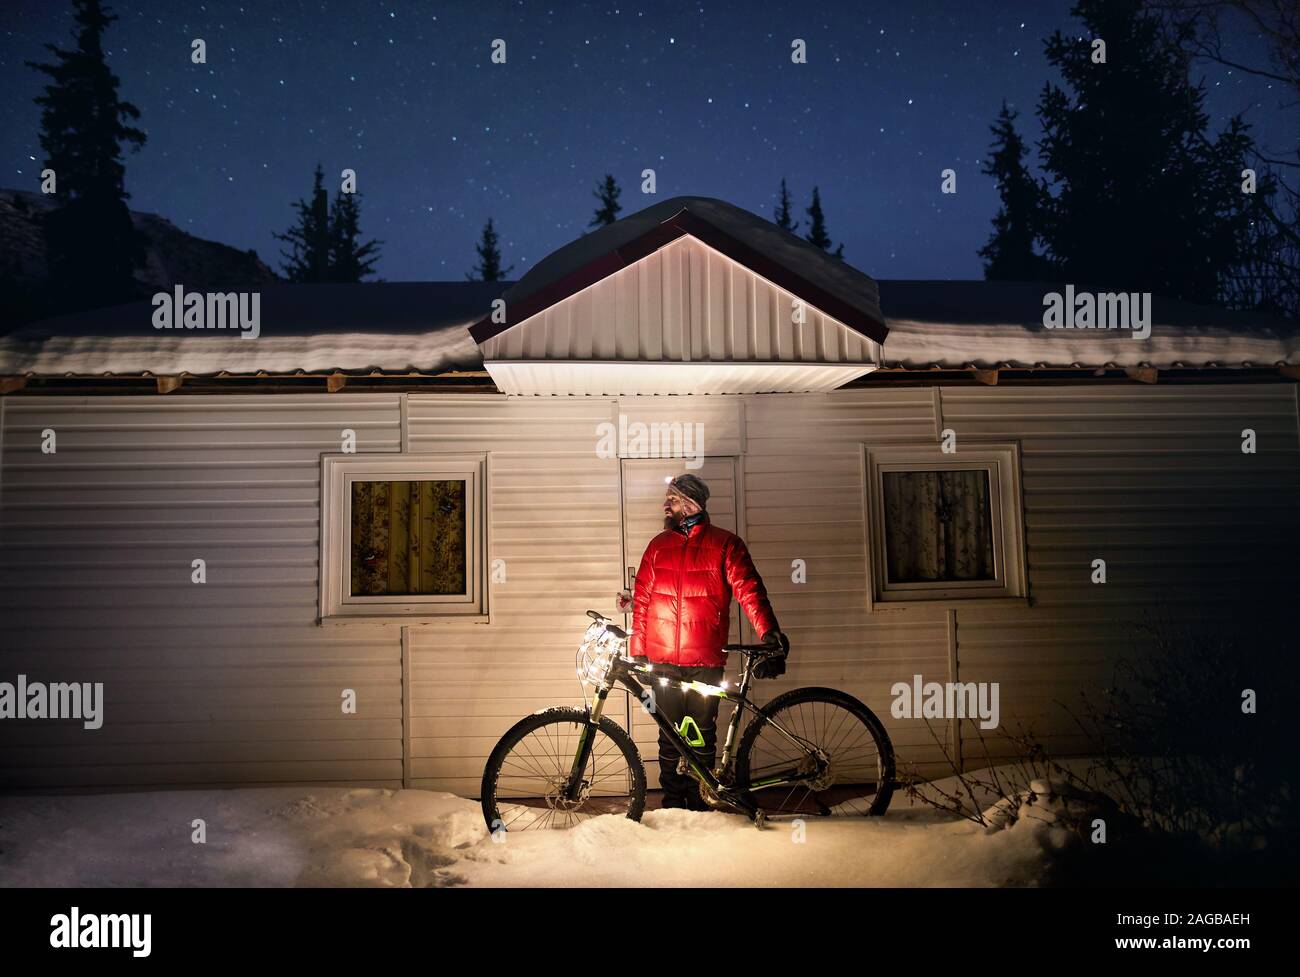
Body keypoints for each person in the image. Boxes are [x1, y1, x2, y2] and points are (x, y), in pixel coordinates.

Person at [628, 473, 788, 811]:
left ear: (689, 505)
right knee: (669, 738)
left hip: (705, 662)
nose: (664, 506)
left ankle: (701, 805)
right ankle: (674, 806)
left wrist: (769, 632)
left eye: (671, 500)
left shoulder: (725, 545)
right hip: (662, 661)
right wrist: (638, 652)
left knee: (701, 736)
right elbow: (641, 601)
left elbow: (750, 591)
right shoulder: (658, 546)